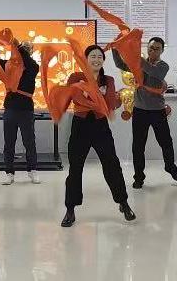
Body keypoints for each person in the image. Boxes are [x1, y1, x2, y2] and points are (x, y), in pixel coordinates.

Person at [61, 45, 136, 227]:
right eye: (92, 56)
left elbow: (109, 103)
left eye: (99, 57)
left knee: (112, 165)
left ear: (103, 60)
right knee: (75, 168)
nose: (96, 59)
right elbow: (72, 98)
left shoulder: (108, 80)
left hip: (100, 126)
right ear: (86, 60)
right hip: (80, 126)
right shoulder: (75, 77)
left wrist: (108, 100)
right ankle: (70, 209)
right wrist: (95, 100)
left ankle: (123, 203)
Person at [113, 37, 177, 189]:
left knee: (166, 142)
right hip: (140, 111)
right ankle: (139, 177)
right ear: (147, 48)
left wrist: (135, 56)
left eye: (157, 48)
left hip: (158, 111)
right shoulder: (139, 64)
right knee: (138, 146)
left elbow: (153, 72)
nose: (153, 51)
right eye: (150, 48)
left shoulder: (163, 66)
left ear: (162, 50)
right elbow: (120, 64)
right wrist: (115, 48)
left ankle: (170, 166)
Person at [0, 40, 40, 185]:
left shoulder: (33, 66)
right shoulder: (9, 65)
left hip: (26, 110)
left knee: (29, 142)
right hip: (10, 109)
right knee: (9, 143)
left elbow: (25, 59)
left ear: (30, 52)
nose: (23, 50)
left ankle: (32, 171)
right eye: (22, 47)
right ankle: (9, 173)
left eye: (27, 48)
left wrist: (18, 47)